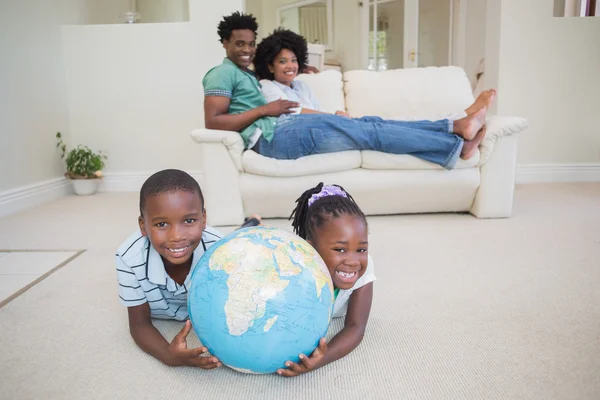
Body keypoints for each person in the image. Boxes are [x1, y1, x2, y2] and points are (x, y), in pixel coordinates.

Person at [203, 14, 488, 170]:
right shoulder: (222, 73)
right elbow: (213, 121)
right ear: (225, 43)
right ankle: (456, 134)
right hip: (278, 136)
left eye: (250, 44)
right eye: (239, 44)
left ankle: (455, 128)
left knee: (370, 125)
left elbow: (269, 85)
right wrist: (266, 110)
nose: (246, 50)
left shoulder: (245, 74)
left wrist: (301, 71)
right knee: (370, 132)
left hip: (286, 131)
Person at [115, 169, 260, 367]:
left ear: (203, 218)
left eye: (189, 221)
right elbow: (139, 324)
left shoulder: (220, 251)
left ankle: (251, 224)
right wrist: (167, 355)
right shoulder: (128, 258)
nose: (177, 236)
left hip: (221, 243)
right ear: (143, 226)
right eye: (162, 223)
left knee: (240, 240)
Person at [276, 182, 375, 377]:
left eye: (361, 249)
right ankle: (253, 222)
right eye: (340, 249)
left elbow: (356, 326)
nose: (354, 261)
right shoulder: (293, 268)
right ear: (310, 248)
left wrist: (322, 358)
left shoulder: (366, 265)